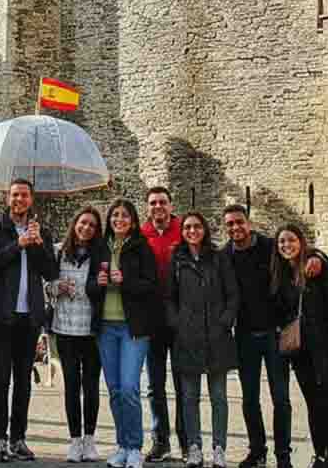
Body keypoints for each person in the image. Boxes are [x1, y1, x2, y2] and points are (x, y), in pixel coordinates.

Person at [270, 224, 328, 468]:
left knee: (325, 404)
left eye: (291, 240)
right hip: (301, 352)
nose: (286, 245)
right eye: (282, 242)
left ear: (301, 242)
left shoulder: (317, 268)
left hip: (326, 348)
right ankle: (319, 455)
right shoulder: (282, 273)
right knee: (313, 404)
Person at [0, 178, 57, 462]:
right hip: (2, 315)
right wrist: (18, 244)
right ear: (7, 199)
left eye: (24, 195)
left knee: (24, 381)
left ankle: (19, 438)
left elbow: (50, 271)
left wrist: (36, 245)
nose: (19, 200)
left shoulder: (42, 232)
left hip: (30, 316)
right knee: (1, 379)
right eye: (15, 195)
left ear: (31, 200)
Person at [222, 205, 292, 468]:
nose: (235, 228)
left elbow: (296, 254)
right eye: (229, 224)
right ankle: (257, 451)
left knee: (281, 399)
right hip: (245, 336)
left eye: (239, 222)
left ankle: (283, 455)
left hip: (274, 334)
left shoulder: (270, 246)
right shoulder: (224, 255)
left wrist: (318, 259)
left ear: (248, 223)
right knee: (250, 399)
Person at [170, 212, 238, 468]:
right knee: (189, 397)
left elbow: (232, 294)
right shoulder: (178, 260)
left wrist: (225, 321)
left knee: (219, 397)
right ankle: (194, 447)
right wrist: (177, 323)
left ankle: (219, 447)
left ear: (205, 229)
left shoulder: (219, 259)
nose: (192, 231)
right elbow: (169, 297)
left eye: (197, 226)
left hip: (216, 337)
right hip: (187, 337)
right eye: (187, 227)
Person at [95, 199, 159, 468]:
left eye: (124, 216)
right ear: (109, 219)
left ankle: (134, 446)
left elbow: (151, 284)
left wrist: (126, 281)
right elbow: (88, 283)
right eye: (115, 215)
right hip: (105, 327)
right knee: (115, 390)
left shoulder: (141, 247)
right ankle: (122, 445)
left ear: (132, 221)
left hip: (133, 327)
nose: (119, 219)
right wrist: (95, 283)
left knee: (131, 388)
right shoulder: (100, 247)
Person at [52, 206, 105, 463]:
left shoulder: (100, 254)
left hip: (91, 329)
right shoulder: (59, 252)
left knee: (91, 385)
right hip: (64, 328)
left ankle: (89, 439)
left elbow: (102, 289)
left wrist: (90, 288)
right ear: (74, 224)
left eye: (92, 225)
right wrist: (56, 286)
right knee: (71, 385)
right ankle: (74, 440)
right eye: (83, 223)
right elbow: (47, 284)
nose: (86, 228)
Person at [141, 188, 185, 463]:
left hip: (180, 318)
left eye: (162, 202)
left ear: (171, 205)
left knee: (184, 384)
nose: (158, 207)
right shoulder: (140, 234)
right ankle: (161, 441)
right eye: (153, 203)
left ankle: (186, 439)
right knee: (155, 385)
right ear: (147, 208)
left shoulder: (186, 229)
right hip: (151, 319)